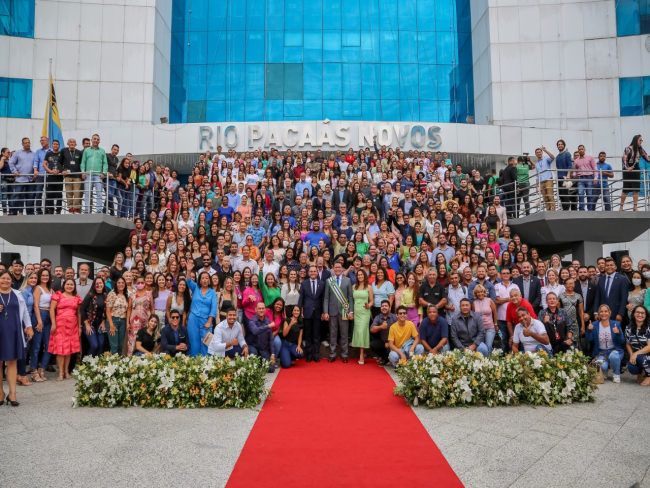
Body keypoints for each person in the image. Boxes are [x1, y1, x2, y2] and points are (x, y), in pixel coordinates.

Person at [0, 270, 34, 405]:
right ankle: (1, 393)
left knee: (12, 362)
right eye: (3, 278)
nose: (5, 281)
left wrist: (29, 326)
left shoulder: (17, 294)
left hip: (13, 332)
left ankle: (12, 394)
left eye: (8, 279)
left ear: (12, 281)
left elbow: (25, 312)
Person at [48, 278, 82, 382]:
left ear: (74, 286)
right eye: (67, 284)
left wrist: (79, 327)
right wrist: (53, 323)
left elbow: (78, 313)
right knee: (60, 350)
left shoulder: (77, 298)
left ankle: (67, 371)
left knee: (68, 351)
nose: (69, 286)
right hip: (60, 326)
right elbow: (52, 310)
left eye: (72, 284)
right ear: (64, 285)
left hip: (72, 327)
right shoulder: (58, 295)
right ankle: (61, 372)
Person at [323, 261, 354, 363]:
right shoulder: (329, 281)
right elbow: (326, 298)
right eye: (335, 267)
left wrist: (351, 311)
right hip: (332, 312)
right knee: (332, 334)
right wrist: (325, 312)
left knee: (344, 334)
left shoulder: (348, 280)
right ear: (333, 268)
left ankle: (345, 354)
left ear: (342, 269)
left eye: (339, 268)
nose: (337, 269)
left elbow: (350, 297)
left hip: (344, 312)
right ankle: (332, 354)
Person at [185, 264, 217, 357]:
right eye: (202, 278)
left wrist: (209, 322)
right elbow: (188, 280)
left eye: (206, 278)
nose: (205, 280)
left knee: (207, 342)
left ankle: (205, 365)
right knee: (194, 343)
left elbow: (213, 308)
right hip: (193, 319)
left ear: (209, 280)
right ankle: (194, 365)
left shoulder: (212, 292)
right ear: (200, 280)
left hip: (206, 320)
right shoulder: (195, 288)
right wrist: (188, 270)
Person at [587, 305, 625, 383]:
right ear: (598, 313)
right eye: (601, 311)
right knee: (602, 366)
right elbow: (589, 339)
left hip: (615, 350)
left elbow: (622, 341)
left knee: (613, 357)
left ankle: (616, 373)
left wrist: (618, 333)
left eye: (605, 311)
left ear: (609, 313)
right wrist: (589, 330)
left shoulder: (616, 324)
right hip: (601, 352)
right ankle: (605, 370)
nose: (603, 313)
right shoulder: (594, 325)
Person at [298, 265, 325, 362]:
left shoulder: (322, 284)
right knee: (308, 334)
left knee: (317, 335)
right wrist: (300, 311)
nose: (313, 273)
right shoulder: (304, 284)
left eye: (315, 271)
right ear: (308, 273)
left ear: (317, 273)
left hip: (318, 312)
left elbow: (323, 299)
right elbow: (301, 298)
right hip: (307, 312)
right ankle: (309, 354)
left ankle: (316, 354)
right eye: (311, 271)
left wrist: (324, 312)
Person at [30, 268, 53, 382]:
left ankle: (42, 369)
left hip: (49, 316)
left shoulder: (50, 289)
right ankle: (33, 371)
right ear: (39, 276)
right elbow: (35, 306)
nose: (45, 277)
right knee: (37, 346)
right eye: (43, 275)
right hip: (40, 315)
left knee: (49, 345)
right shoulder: (38, 289)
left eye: (47, 275)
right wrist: (39, 321)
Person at [593, 257, 629, 323]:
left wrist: (620, 314)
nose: (609, 267)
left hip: (616, 313)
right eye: (607, 265)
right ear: (605, 267)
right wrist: (596, 312)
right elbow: (597, 297)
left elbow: (624, 298)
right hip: (602, 314)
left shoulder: (622, 279)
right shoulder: (601, 279)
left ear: (615, 267)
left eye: (611, 265)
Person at [126, 275, 154, 357]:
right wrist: (127, 323)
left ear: (145, 283)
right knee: (132, 340)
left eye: (142, 282)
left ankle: (145, 357)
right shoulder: (132, 294)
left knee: (144, 339)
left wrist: (153, 320)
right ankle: (130, 358)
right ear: (135, 284)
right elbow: (129, 309)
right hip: (134, 322)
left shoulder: (149, 294)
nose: (140, 284)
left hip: (146, 321)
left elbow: (152, 309)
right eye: (138, 283)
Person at [620, 135, 648, 211]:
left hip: (636, 169)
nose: (641, 142)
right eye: (640, 140)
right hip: (628, 170)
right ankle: (621, 206)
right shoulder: (628, 149)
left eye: (641, 140)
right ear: (636, 140)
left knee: (636, 189)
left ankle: (635, 206)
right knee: (625, 189)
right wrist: (627, 168)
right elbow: (624, 159)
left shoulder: (640, 149)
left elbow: (646, 157)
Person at [248, 301, 278, 372]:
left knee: (271, 369)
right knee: (254, 353)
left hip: (263, 349)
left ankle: (261, 363)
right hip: (253, 347)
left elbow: (270, 339)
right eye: (259, 308)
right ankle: (257, 363)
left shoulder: (268, 321)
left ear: (265, 309)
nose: (261, 310)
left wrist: (272, 354)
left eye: (263, 308)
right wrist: (268, 326)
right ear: (255, 310)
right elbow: (255, 331)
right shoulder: (252, 321)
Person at [351, 269, 372, 364]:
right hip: (356, 312)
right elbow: (352, 301)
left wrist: (369, 305)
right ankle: (363, 352)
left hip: (365, 312)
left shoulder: (369, 287)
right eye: (358, 275)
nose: (360, 276)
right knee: (358, 331)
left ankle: (361, 354)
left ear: (364, 276)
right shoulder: (354, 287)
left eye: (361, 274)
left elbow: (372, 300)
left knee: (362, 331)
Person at [625, 306, 650, 386]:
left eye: (642, 313)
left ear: (646, 315)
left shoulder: (649, 328)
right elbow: (628, 344)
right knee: (631, 367)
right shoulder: (628, 328)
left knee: (640, 357)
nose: (640, 315)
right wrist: (631, 354)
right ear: (634, 314)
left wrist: (636, 354)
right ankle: (642, 372)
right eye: (637, 312)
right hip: (638, 356)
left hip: (647, 355)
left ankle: (649, 376)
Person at [106, 276, 129, 356]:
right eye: (119, 283)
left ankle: (118, 364)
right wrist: (111, 325)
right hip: (113, 320)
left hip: (122, 321)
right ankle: (113, 364)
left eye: (123, 283)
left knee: (120, 345)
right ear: (116, 284)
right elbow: (108, 310)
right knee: (114, 345)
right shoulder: (112, 294)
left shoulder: (126, 295)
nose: (121, 284)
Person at [370, 300, 397, 366]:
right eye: (382, 306)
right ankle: (385, 358)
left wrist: (390, 342)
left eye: (386, 306)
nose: (384, 307)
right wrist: (381, 327)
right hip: (383, 342)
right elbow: (372, 329)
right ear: (380, 308)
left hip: (394, 342)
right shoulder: (378, 317)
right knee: (373, 344)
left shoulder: (394, 317)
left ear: (390, 308)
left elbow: (398, 331)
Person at [472, 284, 497, 354]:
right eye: (478, 292)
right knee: (481, 347)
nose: (480, 294)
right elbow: (473, 316)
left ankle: (490, 362)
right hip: (479, 329)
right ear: (476, 293)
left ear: (484, 292)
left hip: (489, 327)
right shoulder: (474, 303)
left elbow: (495, 312)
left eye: (481, 292)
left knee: (488, 346)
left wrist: (495, 324)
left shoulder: (489, 300)